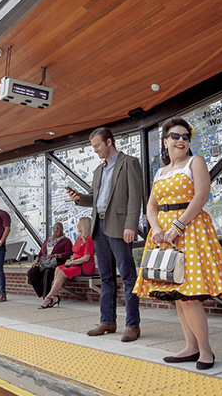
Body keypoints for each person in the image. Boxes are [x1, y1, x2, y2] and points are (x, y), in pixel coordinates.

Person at [133, 117, 222, 370]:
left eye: (185, 136)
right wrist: (157, 228)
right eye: (175, 136)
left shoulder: (196, 162)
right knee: (177, 294)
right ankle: (190, 347)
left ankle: (205, 350)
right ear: (165, 141)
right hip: (164, 236)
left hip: (190, 231)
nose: (181, 140)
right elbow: (151, 205)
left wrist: (177, 226)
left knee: (190, 296)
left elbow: (201, 195)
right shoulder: (160, 172)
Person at [67, 127, 143, 342]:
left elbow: (135, 197)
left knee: (128, 277)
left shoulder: (129, 163)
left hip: (119, 227)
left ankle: (132, 325)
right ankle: (107, 321)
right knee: (106, 277)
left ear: (109, 142)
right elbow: (95, 198)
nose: (95, 151)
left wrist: (131, 225)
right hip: (98, 227)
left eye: (97, 146)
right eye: (93, 147)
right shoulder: (98, 171)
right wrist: (78, 198)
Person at [38, 217, 95, 309]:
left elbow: (86, 258)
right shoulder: (79, 238)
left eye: (80, 223)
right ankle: (55, 296)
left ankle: (48, 298)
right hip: (75, 264)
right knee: (58, 268)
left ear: (84, 225)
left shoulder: (89, 239)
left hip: (84, 266)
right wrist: (71, 260)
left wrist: (73, 262)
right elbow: (76, 254)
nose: (77, 225)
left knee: (61, 273)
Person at [27, 222, 73, 299]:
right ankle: (42, 292)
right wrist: (37, 260)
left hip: (57, 264)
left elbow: (68, 253)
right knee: (31, 272)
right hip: (44, 263)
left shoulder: (66, 241)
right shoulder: (48, 240)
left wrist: (55, 255)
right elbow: (41, 251)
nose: (59, 230)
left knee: (48, 272)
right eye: (57, 228)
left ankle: (46, 298)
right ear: (53, 230)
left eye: (61, 228)